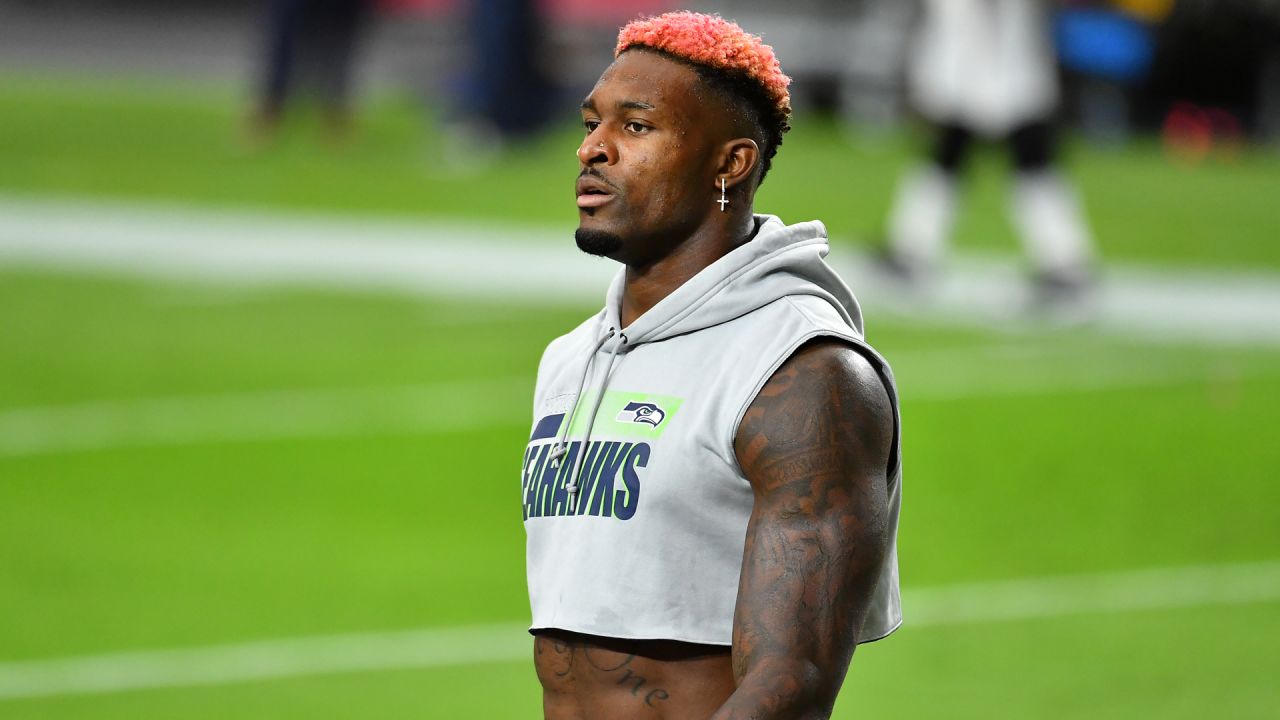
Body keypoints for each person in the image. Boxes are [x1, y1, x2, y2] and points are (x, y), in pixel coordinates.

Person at [521, 12, 903, 719]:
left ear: (731, 164)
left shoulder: (801, 372)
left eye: (635, 128)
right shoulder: (571, 358)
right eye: (590, 124)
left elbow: (790, 684)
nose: (593, 151)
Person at [883, 0, 1097, 305]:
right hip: (976, 71)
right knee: (949, 161)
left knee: (1027, 164)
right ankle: (912, 249)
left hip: (1001, 71)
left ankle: (1064, 262)